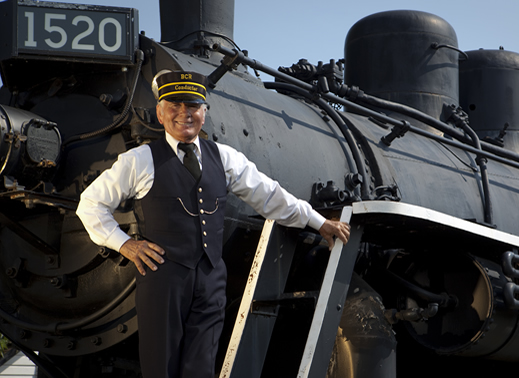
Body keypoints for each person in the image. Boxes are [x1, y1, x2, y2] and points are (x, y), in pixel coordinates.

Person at [76, 70, 350, 378]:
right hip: (163, 280)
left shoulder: (224, 157)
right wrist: (125, 244)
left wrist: (318, 222)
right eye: (175, 106)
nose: (184, 114)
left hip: (210, 280)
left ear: (204, 112)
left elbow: (270, 195)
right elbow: (90, 204)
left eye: (192, 106)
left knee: (202, 367)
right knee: (160, 367)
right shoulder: (140, 160)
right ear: (160, 112)